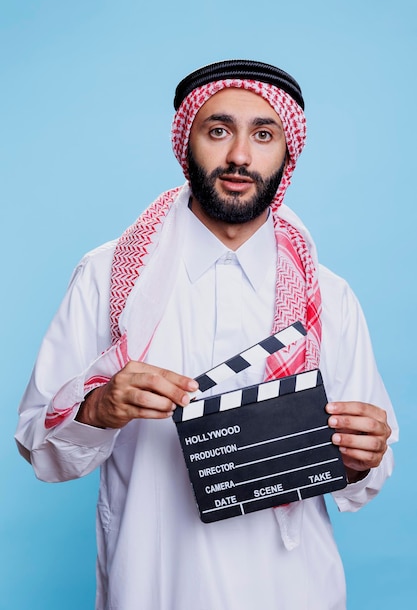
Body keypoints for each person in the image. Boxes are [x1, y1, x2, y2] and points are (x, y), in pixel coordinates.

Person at [15, 60, 398, 610]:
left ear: (287, 154)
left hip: (293, 589)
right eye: (218, 131)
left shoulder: (328, 297)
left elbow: (369, 471)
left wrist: (361, 456)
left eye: (263, 135)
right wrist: (97, 407)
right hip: (154, 584)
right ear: (185, 142)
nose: (240, 156)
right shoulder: (106, 277)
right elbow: (39, 446)